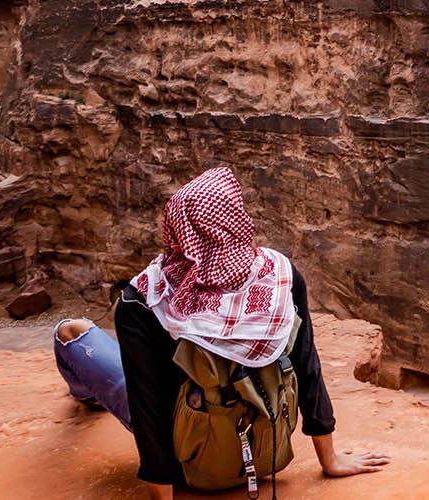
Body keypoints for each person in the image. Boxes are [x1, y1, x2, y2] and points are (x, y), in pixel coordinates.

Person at [52, 167, 389, 499]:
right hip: (266, 453)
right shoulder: (281, 277)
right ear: (236, 220)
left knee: (70, 332)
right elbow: (307, 367)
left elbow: (147, 409)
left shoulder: (141, 302)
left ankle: (84, 393)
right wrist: (330, 460)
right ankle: (87, 394)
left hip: (190, 466)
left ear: (176, 230)